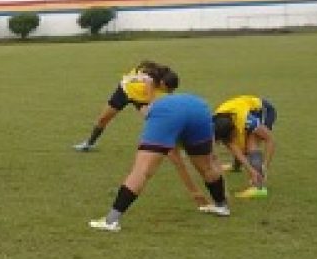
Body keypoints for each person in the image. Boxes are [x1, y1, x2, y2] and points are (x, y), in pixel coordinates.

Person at [89, 93, 230, 232]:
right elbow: (213, 157)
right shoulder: (176, 102)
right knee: (207, 166)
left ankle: (111, 221)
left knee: (142, 170)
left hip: (171, 114)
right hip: (200, 109)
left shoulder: (158, 113)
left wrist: (194, 191)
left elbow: (175, 157)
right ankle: (221, 206)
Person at [73, 61, 171, 151]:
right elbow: (151, 99)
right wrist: (152, 106)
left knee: (154, 118)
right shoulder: (149, 79)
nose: (167, 91)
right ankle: (89, 144)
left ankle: (169, 144)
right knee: (103, 119)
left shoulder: (160, 84)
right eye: (167, 89)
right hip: (125, 91)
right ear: (162, 82)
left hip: (140, 97)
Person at [213, 95, 277, 198]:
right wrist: (250, 169)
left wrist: (265, 166)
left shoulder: (247, 121)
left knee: (251, 144)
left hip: (263, 110)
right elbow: (233, 147)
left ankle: (259, 188)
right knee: (239, 143)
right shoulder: (216, 122)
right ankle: (236, 167)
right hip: (240, 112)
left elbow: (270, 140)